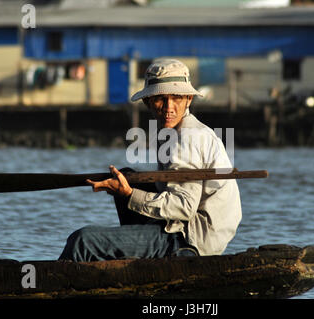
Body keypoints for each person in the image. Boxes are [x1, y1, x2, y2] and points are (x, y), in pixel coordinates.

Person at [59, 59, 242, 261]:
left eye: (177, 98)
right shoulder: (178, 132)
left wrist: (129, 194)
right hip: (186, 229)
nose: (168, 107)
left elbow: (183, 206)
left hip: (188, 239)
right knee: (128, 176)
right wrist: (129, 187)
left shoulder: (188, 138)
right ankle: (131, 258)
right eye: (160, 99)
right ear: (148, 102)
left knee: (83, 240)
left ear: (188, 99)